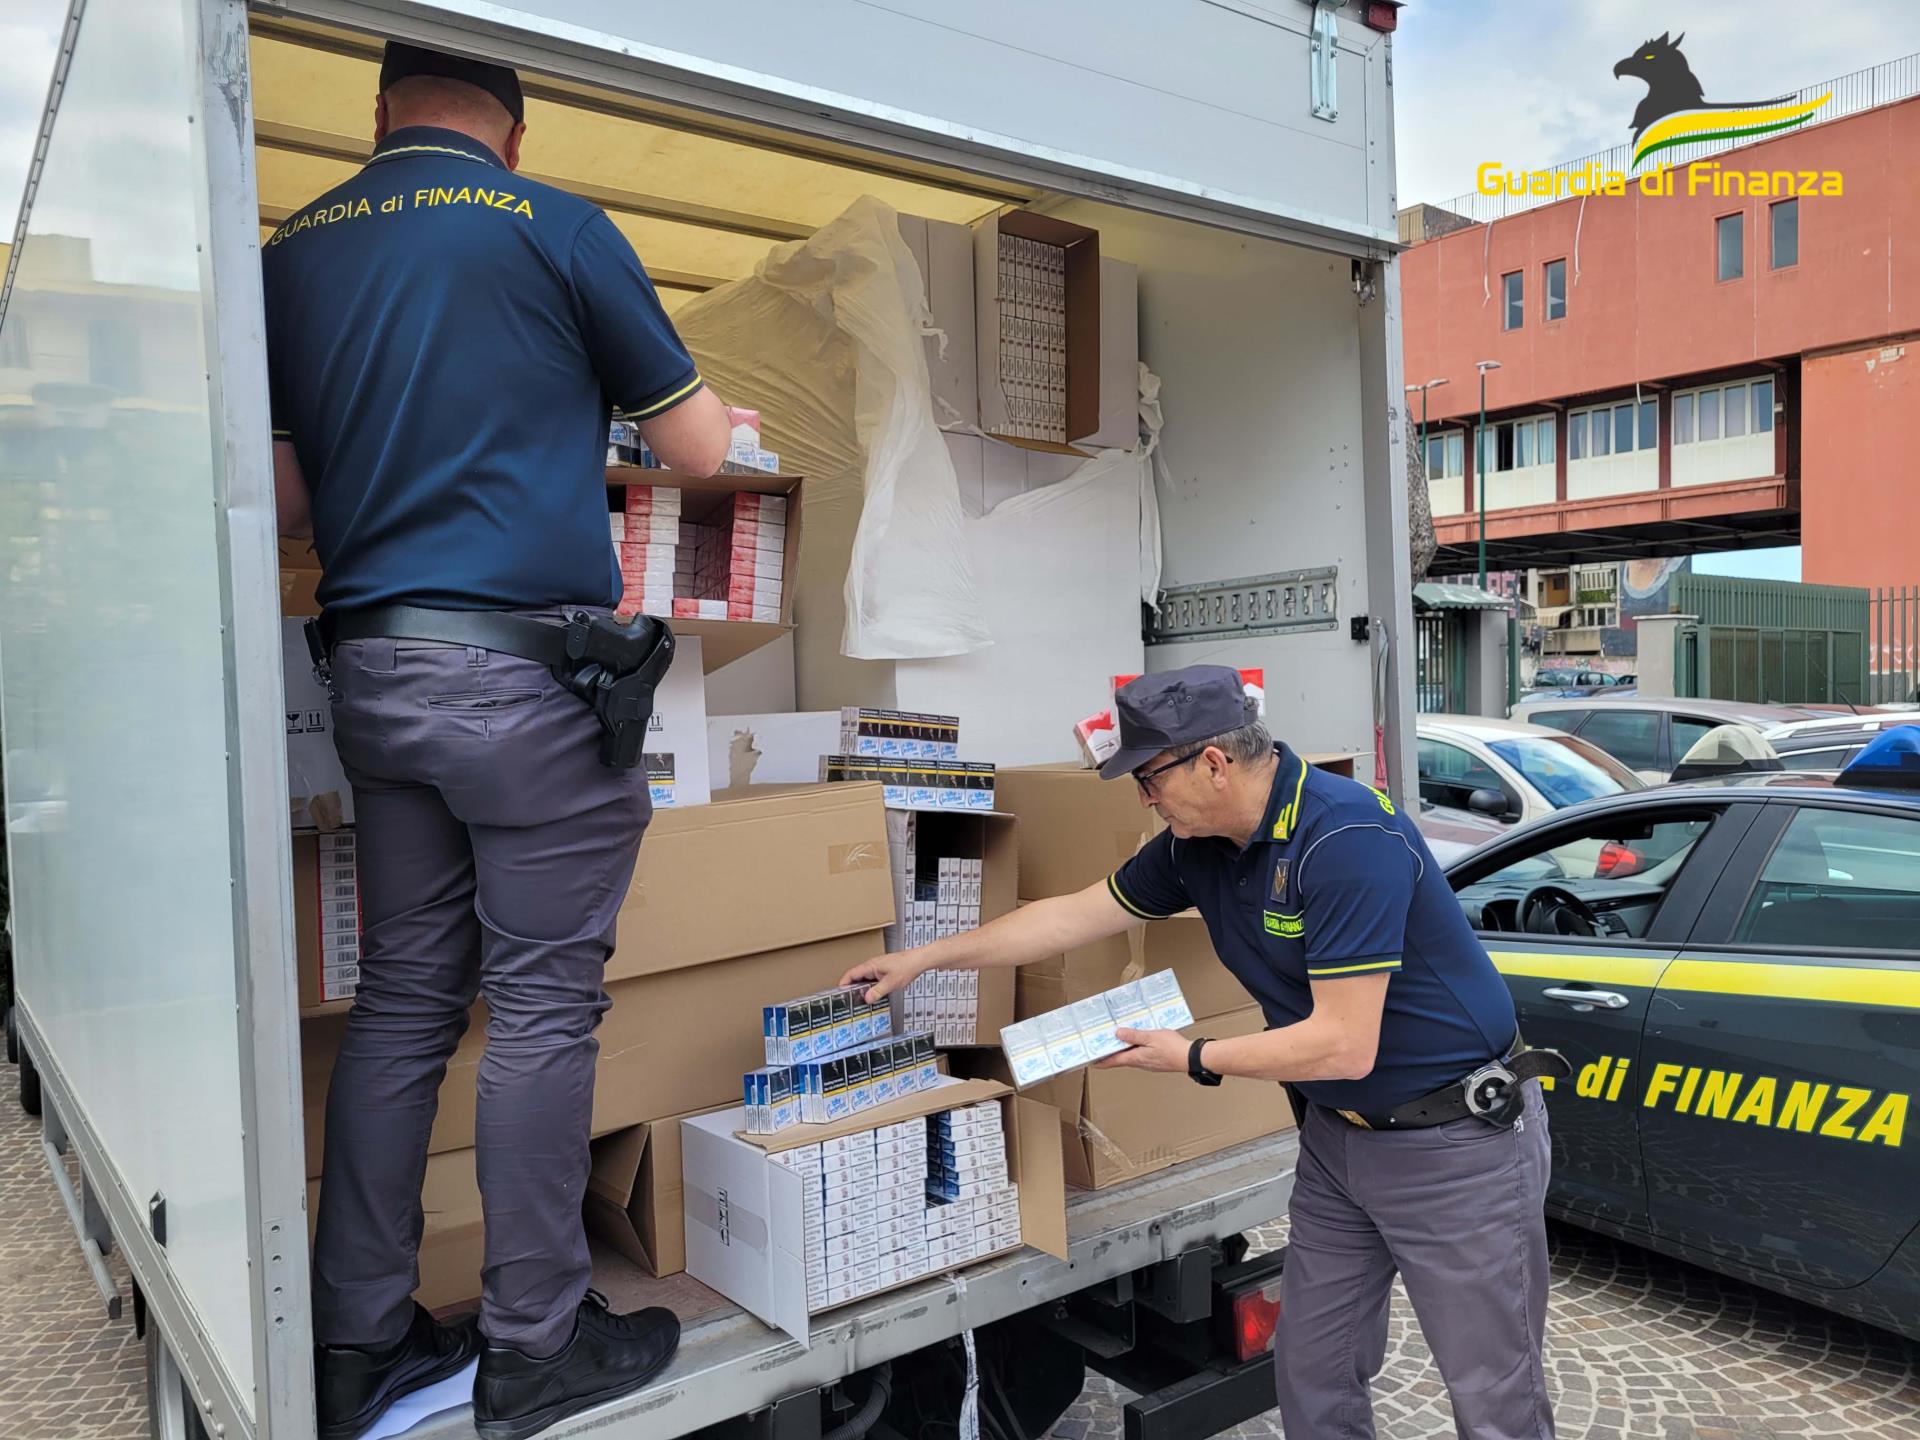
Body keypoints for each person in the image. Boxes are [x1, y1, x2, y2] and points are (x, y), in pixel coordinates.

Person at [263, 42, 731, 1440]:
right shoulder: (556, 226)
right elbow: (701, 449)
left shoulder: (292, 251)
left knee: (405, 998)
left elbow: (285, 501)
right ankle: (535, 1346)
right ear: (514, 134)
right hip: (523, 682)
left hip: (374, 671)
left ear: (378, 116)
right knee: (538, 1005)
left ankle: (357, 1343)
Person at [844, 665, 1561, 1440]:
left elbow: (1345, 1044)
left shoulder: (1345, 838)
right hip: (1339, 1141)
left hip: (1455, 1145)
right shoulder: (1200, 846)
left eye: (1149, 779)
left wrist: (1193, 1057)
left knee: (1493, 1395)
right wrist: (924, 959)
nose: (1144, 799)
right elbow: (1074, 915)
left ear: (1213, 763)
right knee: (1314, 1373)